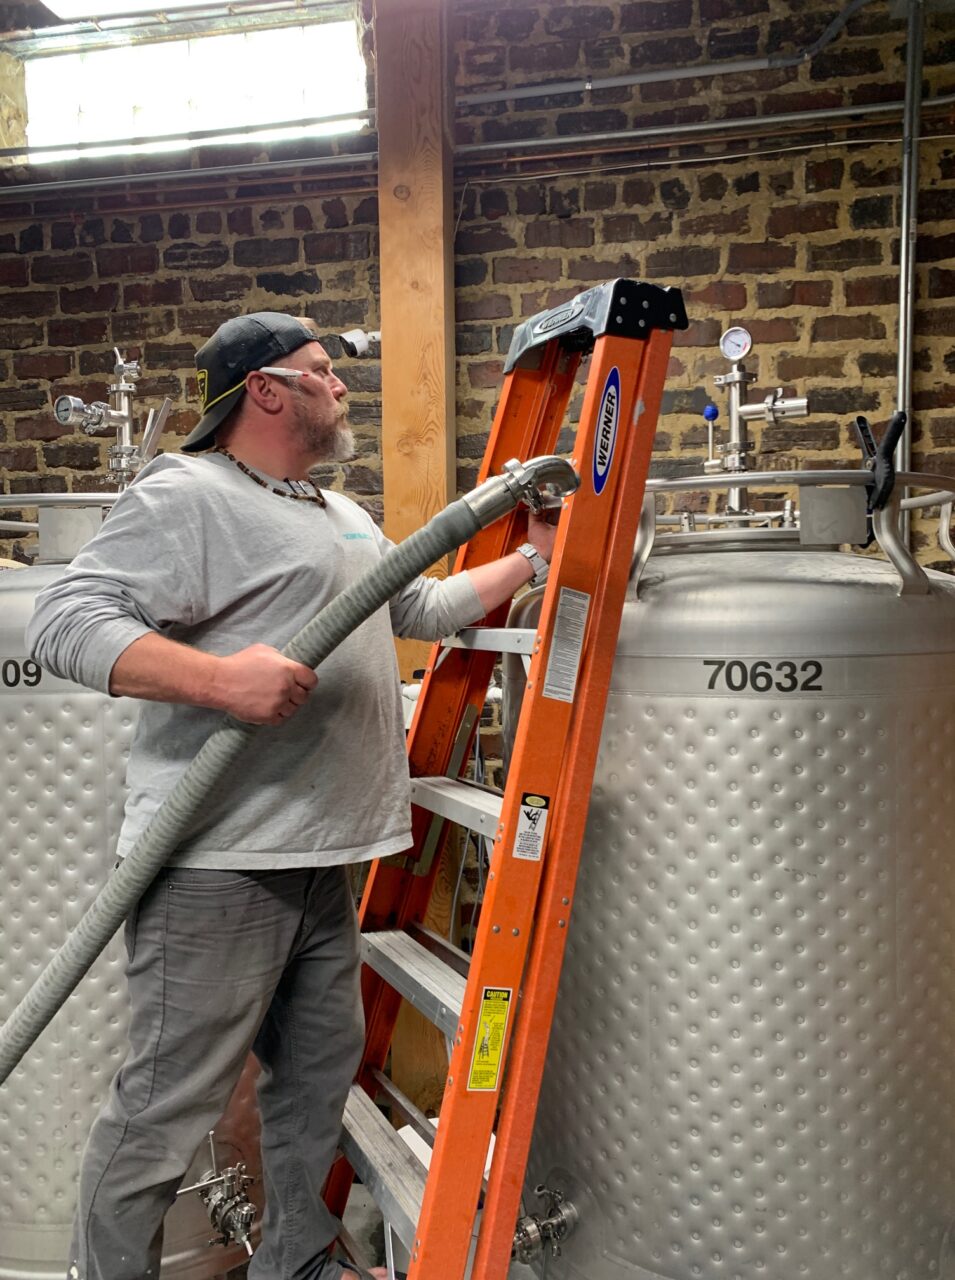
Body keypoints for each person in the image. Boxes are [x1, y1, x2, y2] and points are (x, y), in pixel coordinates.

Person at [26, 312, 557, 1280]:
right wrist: (223, 682)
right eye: (322, 371)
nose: (342, 386)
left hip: (320, 860)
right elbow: (63, 621)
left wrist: (539, 557)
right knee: (162, 1111)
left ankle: (295, 1260)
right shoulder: (185, 493)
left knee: (314, 1081)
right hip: (219, 863)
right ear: (264, 390)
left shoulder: (334, 511)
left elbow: (421, 608)